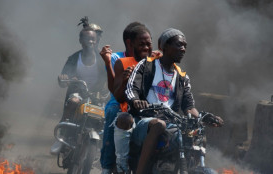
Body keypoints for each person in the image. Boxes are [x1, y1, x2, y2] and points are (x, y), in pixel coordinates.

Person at [118, 28, 223, 174]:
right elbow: (131, 87)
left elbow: (189, 106)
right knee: (159, 125)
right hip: (144, 120)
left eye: (185, 46)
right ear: (164, 46)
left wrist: (201, 118)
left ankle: (191, 168)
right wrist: (136, 100)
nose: (183, 49)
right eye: (179, 45)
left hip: (172, 123)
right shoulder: (146, 65)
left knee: (198, 133)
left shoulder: (182, 77)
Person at [101, 24, 154, 174]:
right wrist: (108, 63)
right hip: (120, 101)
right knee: (114, 111)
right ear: (130, 43)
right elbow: (114, 89)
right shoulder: (118, 59)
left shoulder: (154, 60)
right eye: (141, 43)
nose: (145, 46)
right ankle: (109, 165)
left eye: (148, 43)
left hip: (146, 105)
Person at [50, 19, 107, 155]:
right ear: (81, 40)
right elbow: (63, 79)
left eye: (94, 38)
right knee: (73, 102)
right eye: (88, 38)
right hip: (78, 93)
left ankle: (105, 149)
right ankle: (62, 135)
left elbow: (111, 76)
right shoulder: (74, 58)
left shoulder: (103, 59)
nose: (92, 41)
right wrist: (64, 78)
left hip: (97, 95)